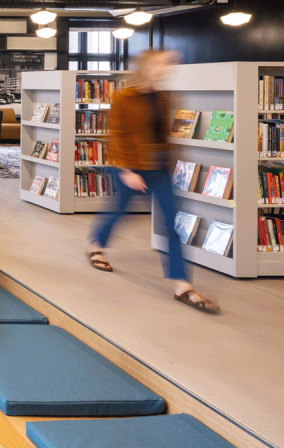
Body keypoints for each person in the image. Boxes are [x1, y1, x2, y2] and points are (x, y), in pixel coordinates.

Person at [86, 49, 220, 314]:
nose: (164, 69)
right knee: (120, 211)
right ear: (145, 67)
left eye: (166, 65)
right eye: (158, 64)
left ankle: (182, 285)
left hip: (158, 167)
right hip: (131, 167)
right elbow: (115, 135)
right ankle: (95, 244)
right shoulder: (124, 97)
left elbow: (162, 135)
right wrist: (126, 170)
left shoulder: (164, 98)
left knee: (172, 224)